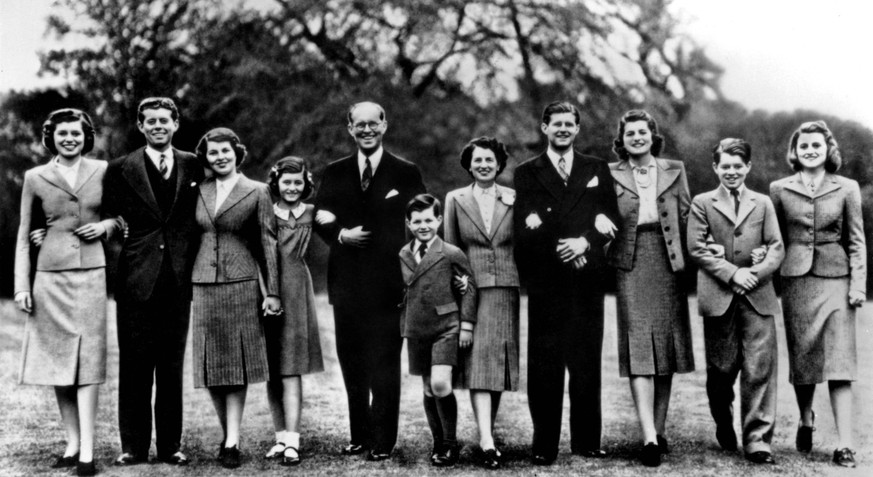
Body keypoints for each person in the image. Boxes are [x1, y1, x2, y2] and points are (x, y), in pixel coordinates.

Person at [313, 101, 426, 461]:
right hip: (346, 285)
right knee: (352, 365)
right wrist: (340, 234)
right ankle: (359, 435)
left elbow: (421, 219)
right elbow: (319, 215)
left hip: (388, 285)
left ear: (384, 125)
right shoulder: (335, 171)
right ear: (349, 128)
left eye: (372, 124)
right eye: (358, 124)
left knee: (384, 364)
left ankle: (382, 439)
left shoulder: (405, 172)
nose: (366, 130)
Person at [14, 108, 120, 477]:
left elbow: (123, 217)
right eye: (62, 134)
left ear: (86, 136)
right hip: (50, 277)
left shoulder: (104, 170)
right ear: (51, 137)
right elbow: (25, 234)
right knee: (60, 361)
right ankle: (72, 443)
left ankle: (89, 450)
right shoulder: (34, 176)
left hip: (92, 274)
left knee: (89, 362)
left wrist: (104, 226)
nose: (69, 139)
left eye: (76, 133)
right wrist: (21, 286)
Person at [513, 100, 619, 465]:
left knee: (587, 359)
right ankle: (544, 443)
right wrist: (561, 247)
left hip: (587, 278)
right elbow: (523, 227)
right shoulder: (527, 172)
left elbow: (610, 218)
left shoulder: (596, 168)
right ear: (544, 128)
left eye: (569, 124)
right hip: (547, 281)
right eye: (555, 123)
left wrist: (584, 241)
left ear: (577, 129)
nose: (562, 129)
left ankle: (587, 440)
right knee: (545, 363)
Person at [103, 97, 203, 467]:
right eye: (151, 121)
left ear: (175, 124)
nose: (158, 126)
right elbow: (109, 219)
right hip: (136, 279)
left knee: (171, 367)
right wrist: (123, 265)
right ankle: (132, 446)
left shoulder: (195, 163)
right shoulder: (121, 168)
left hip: (179, 279)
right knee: (134, 366)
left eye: (165, 120)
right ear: (141, 126)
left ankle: (170, 447)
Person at [600, 110, 694, 467]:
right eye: (630, 134)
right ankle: (648, 437)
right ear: (621, 140)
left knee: (666, 348)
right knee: (640, 345)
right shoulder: (609, 173)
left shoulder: (675, 168)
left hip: (668, 261)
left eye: (642, 132)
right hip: (631, 261)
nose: (636, 138)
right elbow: (599, 214)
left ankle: (660, 427)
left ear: (653, 136)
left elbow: (688, 215)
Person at [770, 121, 866, 468]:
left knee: (841, 361)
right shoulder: (779, 188)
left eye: (817, 145)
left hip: (837, 280)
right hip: (796, 280)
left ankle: (844, 444)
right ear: (795, 151)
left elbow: (856, 242)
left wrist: (858, 285)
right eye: (804, 145)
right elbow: (774, 238)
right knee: (805, 358)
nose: (811, 150)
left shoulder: (847, 188)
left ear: (828, 150)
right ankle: (806, 418)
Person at [688, 138, 784, 465]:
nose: (731, 171)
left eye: (737, 166)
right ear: (715, 167)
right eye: (725, 166)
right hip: (719, 295)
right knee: (722, 368)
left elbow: (776, 247)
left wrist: (755, 271)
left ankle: (757, 439)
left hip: (758, 295)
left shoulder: (763, 203)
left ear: (748, 167)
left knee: (759, 367)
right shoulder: (702, 202)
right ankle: (722, 416)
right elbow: (697, 248)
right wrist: (733, 273)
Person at [189, 127, 281, 468]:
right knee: (211, 365)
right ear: (206, 157)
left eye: (225, 151)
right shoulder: (198, 191)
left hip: (241, 282)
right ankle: (224, 430)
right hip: (203, 283)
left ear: (236, 152)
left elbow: (267, 242)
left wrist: (271, 291)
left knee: (236, 364)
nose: (220, 157)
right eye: (213, 153)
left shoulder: (257, 191)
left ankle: (232, 440)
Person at [443, 136, 519, 469]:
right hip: (471, 287)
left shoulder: (514, 198)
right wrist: (456, 282)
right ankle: (486, 439)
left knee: (498, 362)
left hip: (505, 286)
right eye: (478, 161)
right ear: (469, 165)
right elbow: (449, 246)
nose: (484, 165)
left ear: (499, 164)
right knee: (477, 362)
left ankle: (487, 432)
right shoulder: (455, 199)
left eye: (490, 160)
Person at [399, 194, 478, 467]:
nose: (423, 225)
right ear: (409, 224)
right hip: (417, 329)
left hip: (446, 326)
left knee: (441, 384)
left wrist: (466, 325)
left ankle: (450, 443)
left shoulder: (451, 252)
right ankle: (438, 442)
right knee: (427, 387)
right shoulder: (404, 254)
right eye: (417, 221)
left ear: (439, 220)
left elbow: (469, 288)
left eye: (429, 220)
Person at [263, 156, 325, 466]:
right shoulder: (267, 213)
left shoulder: (313, 213)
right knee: (272, 369)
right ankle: (279, 437)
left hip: (298, 290)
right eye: (286, 182)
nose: (292, 187)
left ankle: (293, 440)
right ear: (276, 183)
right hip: (269, 292)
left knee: (291, 366)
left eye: (298, 182)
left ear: (306, 184)